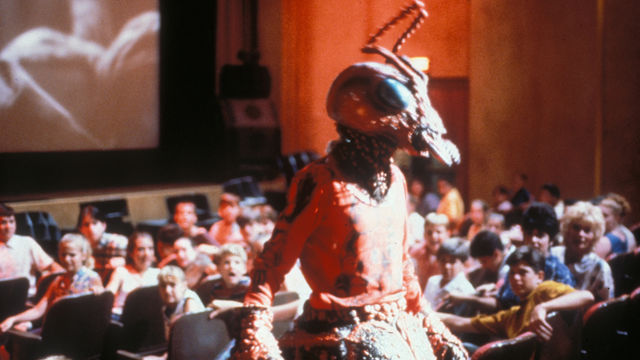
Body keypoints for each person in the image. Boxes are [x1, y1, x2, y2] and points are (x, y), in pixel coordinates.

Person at [229, 3, 467, 357]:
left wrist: (431, 325)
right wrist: (257, 329)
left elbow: (401, 266)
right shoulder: (321, 181)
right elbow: (272, 264)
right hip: (338, 331)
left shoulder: (396, 180)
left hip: (398, 324)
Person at [438, 246, 594, 342]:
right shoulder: (510, 317)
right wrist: (425, 314)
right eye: (512, 273)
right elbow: (460, 323)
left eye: (523, 272)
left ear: (539, 276)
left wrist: (543, 307)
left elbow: (586, 296)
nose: (515, 278)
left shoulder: (543, 290)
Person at [0, 233, 103, 334]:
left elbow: (99, 310)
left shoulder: (91, 278)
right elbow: (38, 310)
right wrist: (13, 319)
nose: (67, 259)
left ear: (83, 256)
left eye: (72, 255)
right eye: (63, 254)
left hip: (76, 332)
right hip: (56, 330)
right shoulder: (58, 280)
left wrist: (99, 293)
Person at [496, 202, 575, 310]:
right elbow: (501, 302)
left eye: (540, 235)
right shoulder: (515, 267)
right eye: (529, 234)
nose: (533, 240)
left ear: (551, 240)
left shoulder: (559, 272)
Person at [550, 201, 614, 301]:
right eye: (576, 227)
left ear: (595, 235)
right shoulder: (553, 255)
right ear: (567, 229)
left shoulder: (600, 267)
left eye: (587, 230)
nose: (581, 234)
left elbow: (607, 303)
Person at [0, 203, 63, 297]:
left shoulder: (27, 242)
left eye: (12, 221)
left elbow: (54, 267)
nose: (9, 227)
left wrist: (47, 279)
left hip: (27, 298)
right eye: (3, 222)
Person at [106, 230, 160, 319]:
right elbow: (108, 296)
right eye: (141, 249)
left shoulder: (158, 273)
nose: (147, 254)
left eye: (150, 248)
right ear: (131, 252)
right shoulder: (121, 272)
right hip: (121, 319)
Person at [423, 238, 475, 313]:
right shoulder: (432, 281)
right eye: (443, 260)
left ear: (463, 264)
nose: (447, 266)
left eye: (452, 262)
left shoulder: (466, 290)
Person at [157, 265, 205, 342]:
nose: (167, 290)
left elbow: (191, 337)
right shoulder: (165, 309)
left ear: (184, 286)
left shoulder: (190, 300)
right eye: (163, 286)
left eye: (172, 285)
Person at [77, 205, 128, 276]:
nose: (90, 229)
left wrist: (125, 261)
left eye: (94, 223)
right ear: (80, 229)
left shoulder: (118, 242)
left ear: (103, 226)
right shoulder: (78, 247)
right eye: (86, 224)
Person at [410, 212, 451, 291]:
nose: (433, 236)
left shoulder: (452, 255)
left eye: (438, 232)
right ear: (424, 234)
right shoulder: (416, 252)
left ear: (448, 234)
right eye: (429, 232)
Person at [595, 194, 636, 258]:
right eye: (598, 214)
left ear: (617, 217)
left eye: (605, 215)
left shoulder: (605, 241)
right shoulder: (624, 234)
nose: (599, 218)